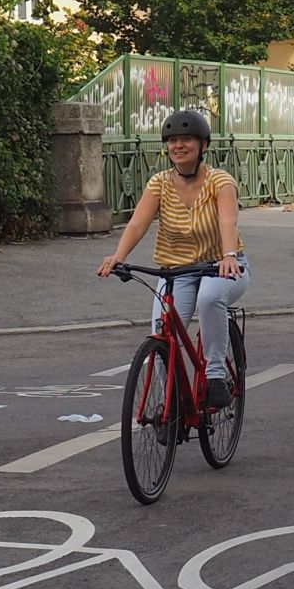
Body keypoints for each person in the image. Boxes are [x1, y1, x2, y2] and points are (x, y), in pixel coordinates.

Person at [98, 109, 247, 408]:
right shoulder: (159, 184)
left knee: (209, 299)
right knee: (161, 333)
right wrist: (118, 256)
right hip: (176, 271)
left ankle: (216, 376)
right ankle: (173, 404)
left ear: (203, 145)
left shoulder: (220, 181)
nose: (179, 146)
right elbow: (138, 223)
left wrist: (228, 254)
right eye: (173, 140)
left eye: (187, 140)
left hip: (221, 267)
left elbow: (227, 221)